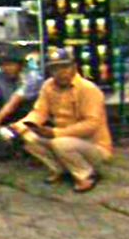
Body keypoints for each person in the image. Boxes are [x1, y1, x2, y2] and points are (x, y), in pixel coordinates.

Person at [11, 48, 113, 193]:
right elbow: (39, 112)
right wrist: (20, 126)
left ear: (74, 67)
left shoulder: (89, 89)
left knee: (60, 143)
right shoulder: (48, 86)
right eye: (56, 68)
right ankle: (61, 169)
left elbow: (91, 125)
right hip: (64, 139)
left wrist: (56, 133)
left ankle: (86, 175)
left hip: (94, 146)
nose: (61, 72)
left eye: (65, 67)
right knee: (27, 136)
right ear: (50, 71)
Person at [0, 44, 43, 132]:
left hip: (28, 115)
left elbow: (15, 101)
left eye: (10, 65)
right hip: (6, 113)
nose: (6, 68)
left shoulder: (32, 76)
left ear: (20, 64)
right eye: (3, 65)